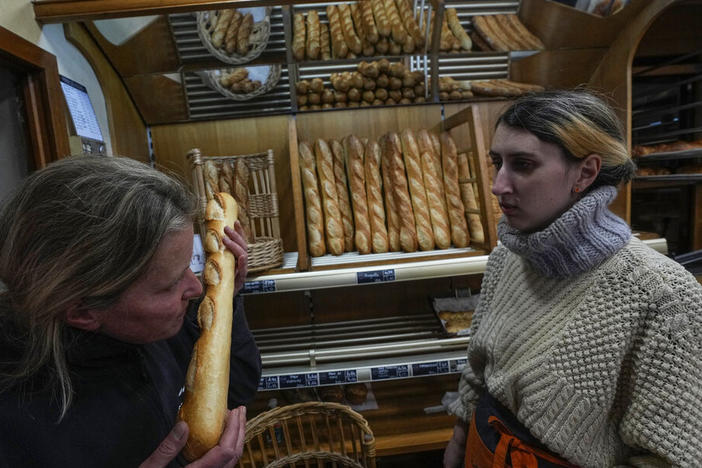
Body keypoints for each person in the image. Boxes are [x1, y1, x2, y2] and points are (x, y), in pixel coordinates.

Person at [443, 89, 701, 467]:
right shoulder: (507, 258)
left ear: (586, 172)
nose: (498, 185)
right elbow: (480, 367)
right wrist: (461, 435)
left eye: (523, 165)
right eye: (497, 162)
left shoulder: (661, 296)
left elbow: (671, 457)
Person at [0, 156, 262, 468]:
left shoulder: (156, 325)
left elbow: (236, 389)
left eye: (189, 268)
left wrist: (228, 301)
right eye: (169, 284)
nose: (195, 290)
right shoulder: (18, 427)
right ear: (83, 311)